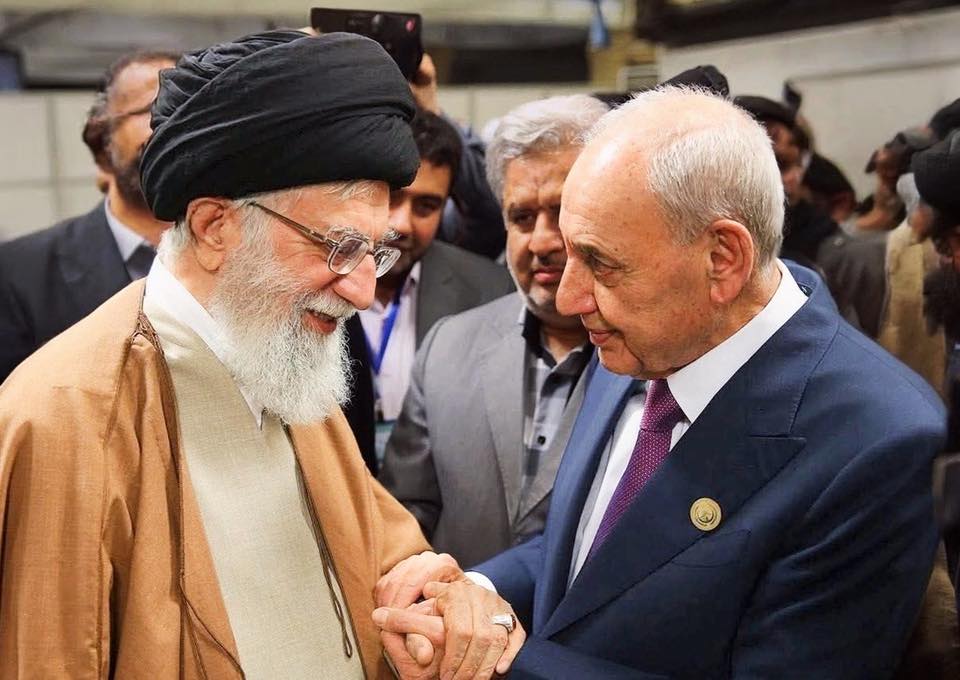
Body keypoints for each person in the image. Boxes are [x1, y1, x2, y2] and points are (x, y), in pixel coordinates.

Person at [0, 30, 522, 679]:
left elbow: (394, 565)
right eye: (338, 248)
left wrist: (454, 604)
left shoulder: (287, 363)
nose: (364, 291)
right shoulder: (67, 417)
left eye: (374, 252)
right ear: (216, 227)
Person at [374, 86, 946, 678]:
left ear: (722, 258)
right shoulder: (644, 336)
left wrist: (508, 659)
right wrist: (469, 589)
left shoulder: (879, 442)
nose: (569, 297)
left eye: (600, 262)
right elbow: (591, 548)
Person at [379, 94, 607, 566]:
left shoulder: (659, 360)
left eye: (562, 212)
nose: (541, 241)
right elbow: (405, 514)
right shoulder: (447, 348)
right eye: (521, 218)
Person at [344, 109, 514, 471]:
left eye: (426, 206)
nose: (402, 223)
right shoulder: (306, 286)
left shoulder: (489, 293)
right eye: (391, 197)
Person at [0, 50, 177, 382]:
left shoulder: (250, 252)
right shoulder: (19, 273)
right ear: (103, 144)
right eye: (155, 107)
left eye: (191, 109)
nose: (176, 123)